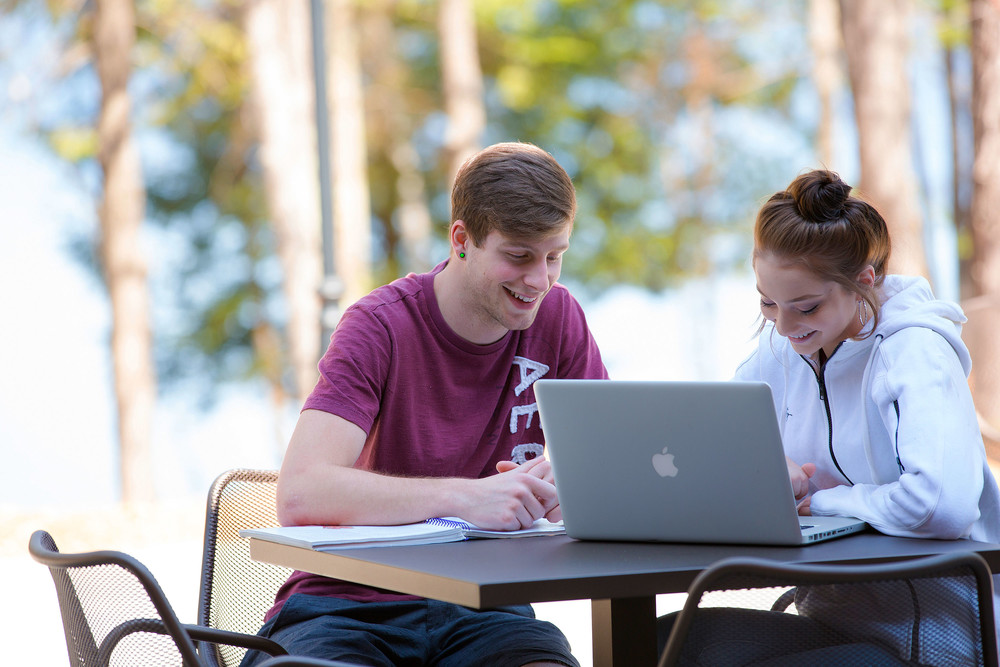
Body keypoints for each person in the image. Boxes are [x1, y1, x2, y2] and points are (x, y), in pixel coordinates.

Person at [241, 142, 608, 667]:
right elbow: (301, 492)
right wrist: (467, 497)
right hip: (346, 608)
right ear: (463, 239)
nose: (540, 280)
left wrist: (567, 484)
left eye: (555, 257)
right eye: (519, 256)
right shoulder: (380, 325)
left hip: (486, 612)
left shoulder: (559, 318)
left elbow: (607, 469)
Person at [657, 169, 1000, 666]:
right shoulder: (781, 350)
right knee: (664, 642)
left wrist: (822, 501)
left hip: (935, 642)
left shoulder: (916, 351)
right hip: (835, 621)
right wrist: (770, 475)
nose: (784, 325)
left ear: (865, 280)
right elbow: (717, 445)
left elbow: (939, 507)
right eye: (767, 302)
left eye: (807, 307)